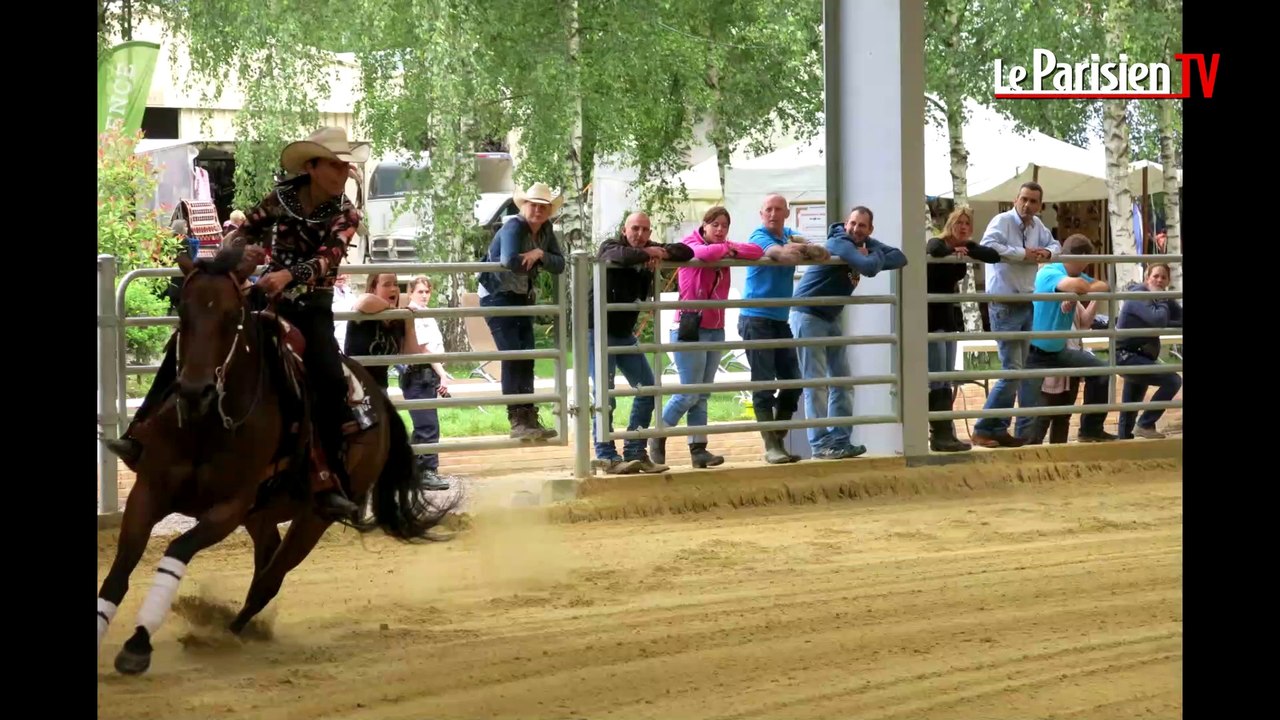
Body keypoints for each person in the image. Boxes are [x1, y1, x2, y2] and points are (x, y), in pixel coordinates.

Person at [105, 127, 370, 520]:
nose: (343, 173)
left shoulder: (347, 215)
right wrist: (241, 257)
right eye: (335, 165)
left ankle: (326, 479)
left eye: (345, 166)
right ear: (312, 167)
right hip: (265, 299)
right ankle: (140, 433)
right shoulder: (281, 197)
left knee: (329, 377)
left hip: (311, 307)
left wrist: (287, 275)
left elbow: (328, 257)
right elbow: (244, 231)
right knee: (189, 342)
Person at [651, 206, 763, 468]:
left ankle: (698, 449)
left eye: (724, 226)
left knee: (703, 394)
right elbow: (701, 253)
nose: (720, 230)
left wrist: (728, 248)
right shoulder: (690, 243)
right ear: (704, 225)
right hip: (690, 326)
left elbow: (756, 252)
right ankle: (657, 434)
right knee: (690, 392)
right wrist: (728, 249)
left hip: (715, 327)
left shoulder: (724, 244)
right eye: (715, 225)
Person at [791, 205, 907, 459]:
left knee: (843, 382)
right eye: (852, 223)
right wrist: (870, 256)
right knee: (817, 384)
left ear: (869, 230)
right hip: (808, 314)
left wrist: (870, 253)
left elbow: (900, 257)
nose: (855, 229)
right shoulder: (840, 242)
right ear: (846, 224)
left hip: (831, 317)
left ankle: (840, 440)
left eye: (861, 226)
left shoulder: (864, 243)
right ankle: (820, 444)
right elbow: (867, 267)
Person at [589, 212, 693, 474]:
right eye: (635, 228)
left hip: (624, 333)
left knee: (648, 388)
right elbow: (618, 257)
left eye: (645, 230)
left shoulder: (647, 248)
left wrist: (657, 252)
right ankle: (607, 456)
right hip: (598, 331)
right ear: (624, 230)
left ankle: (635, 450)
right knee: (605, 394)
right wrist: (650, 253)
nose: (640, 234)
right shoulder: (610, 246)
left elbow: (685, 251)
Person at [741, 193, 830, 464]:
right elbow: (780, 255)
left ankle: (776, 431)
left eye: (778, 209)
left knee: (794, 379)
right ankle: (772, 445)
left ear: (786, 214)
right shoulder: (758, 235)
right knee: (764, 382)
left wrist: (803, 248)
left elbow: (821, 253)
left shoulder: (789, 233)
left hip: (779, 319)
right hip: (755, 318)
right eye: (768, 209)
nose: (773, 214)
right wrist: (799, 250)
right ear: (761, 213)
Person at [972, 181, 1061, 447]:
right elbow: (987, 246)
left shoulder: (1038, 227)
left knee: (1017, 371)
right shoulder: (1001, 221)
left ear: (1039, 205)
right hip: (1004, 301)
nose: (1027, 205)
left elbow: (1055, 244)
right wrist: (1022, 254)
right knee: (1013, 371)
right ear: (1016, 199)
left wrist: (1046, 252)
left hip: (1026, 301)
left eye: (1033, 201)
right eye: (1024, 199)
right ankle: (984, 427)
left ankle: (997, 428)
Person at [477, 181, 566, 440]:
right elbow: (509, 261)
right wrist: (537, 256)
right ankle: (517, 420)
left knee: (526, 355)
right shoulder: (513, 226)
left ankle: (528, 417)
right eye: (533, 205)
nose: (538, 210)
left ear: (549, 211)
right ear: (524, 205)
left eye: (543, 207)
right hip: (497, 296)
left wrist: (539, 254)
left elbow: (559, 263)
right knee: (513, 354)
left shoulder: (546, 230)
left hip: (520, 297)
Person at [1022, 234, 1117, 443]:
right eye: (1086, 258)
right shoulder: (1050, 270)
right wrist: (1080, 289)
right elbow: (1082, 287)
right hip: (1035, 352)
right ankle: (1026, 449)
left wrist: (1080, 289)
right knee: (1034, 411)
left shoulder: (1078, 275)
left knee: (1101, 372)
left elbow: (1104, 286)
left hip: (1059, 350)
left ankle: (1090, 429)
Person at [924, 207, 1002, 452]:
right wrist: (952, 249)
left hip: (948, 316)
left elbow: (992, 255)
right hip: (931, 316)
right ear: (951, 224)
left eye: (968, 223)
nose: (964, 227)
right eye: (959, 222)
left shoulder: (966, 246)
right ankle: (939, 433)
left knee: (946, 375)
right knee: (937, 375)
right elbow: (934, 249)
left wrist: (967, 247)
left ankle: (946, 431)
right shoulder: (939, 242)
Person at [1116, 263, 1182, 439]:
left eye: (1163, 277)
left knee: (1130, 406)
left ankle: (1123, 442)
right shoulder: (1139, 294)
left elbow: (1178, 318)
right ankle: (1146, 424)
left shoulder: (1161, 298)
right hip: (1125, 356)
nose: (1159, 280)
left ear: (1168, 280)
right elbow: (1158, 320)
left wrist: (1167, 317)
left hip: (1141, 355)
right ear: (1147, 278)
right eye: (1156, 276)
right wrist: (1161, 302)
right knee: (1173, 380)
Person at [400, 276, 453, 489]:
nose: (424, 295)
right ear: (411, 292)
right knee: (428, 425)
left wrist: (440, 371)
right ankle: (427, 472)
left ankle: (411, 470)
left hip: (427, 375)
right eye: (420, 291)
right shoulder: (411, 314)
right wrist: (442, 374)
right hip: (419, 375)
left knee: (423, 425)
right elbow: (423, 349)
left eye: (427, 291)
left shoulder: (425, 315)